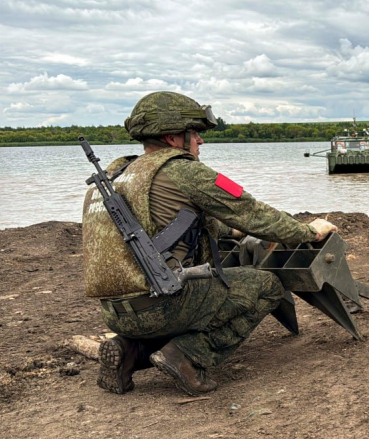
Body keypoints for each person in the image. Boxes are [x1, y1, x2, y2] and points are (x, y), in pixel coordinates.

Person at [83, 91, 338, 396]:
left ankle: (128, 352)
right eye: (196, 134)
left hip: (116, 313)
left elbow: (161, 228)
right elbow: (250, 210)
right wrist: (308, 231)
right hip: (162, 305)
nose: (200, 142)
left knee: (185, 300)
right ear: (173, 137)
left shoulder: (116, 175)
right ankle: (187, 357)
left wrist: (229, 234)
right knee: (268, 285)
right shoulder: (183, 170)